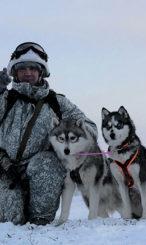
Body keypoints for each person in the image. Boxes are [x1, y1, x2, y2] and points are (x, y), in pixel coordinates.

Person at [0, 42, 97, 225]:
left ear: (41, 71)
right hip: (5, 170)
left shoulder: (56, 103)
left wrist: (68, 141)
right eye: (22, 68)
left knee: (49, 162)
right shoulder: (5, 99)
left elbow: (90, 128)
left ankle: (40, 222)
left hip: (40, 166)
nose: (28, 72)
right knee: (12, 221)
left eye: (33, 68)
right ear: (15, 72)